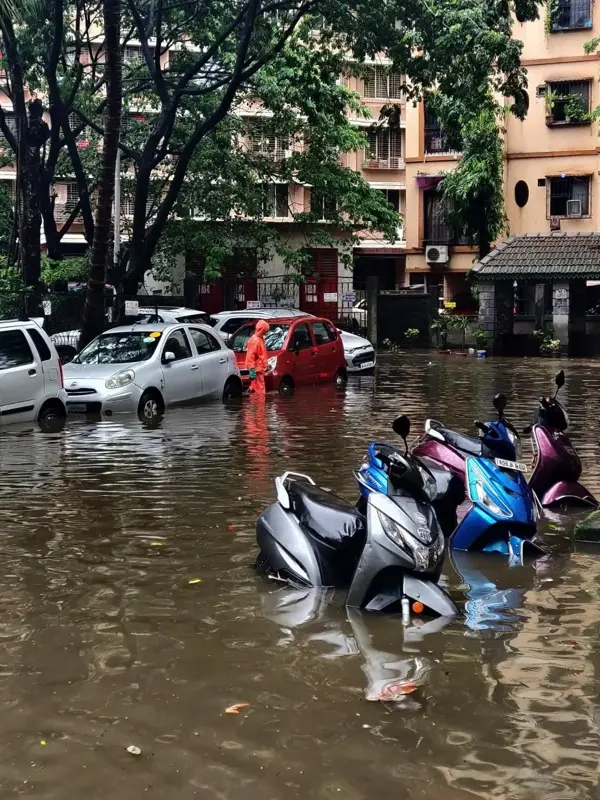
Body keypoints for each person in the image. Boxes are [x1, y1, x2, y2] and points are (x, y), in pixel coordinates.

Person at [245, 319, 270, 395]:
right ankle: (260, 406)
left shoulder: (259, 339)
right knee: (260, 391)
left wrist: (265, 366)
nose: (265, 333)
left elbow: (262, 355)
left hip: (258, 369)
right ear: (262, 330)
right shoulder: (256, 340)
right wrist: (252, 369)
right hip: (257, 370)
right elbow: (250, 355)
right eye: (265, 331)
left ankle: (254, 402)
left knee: (256, 387)